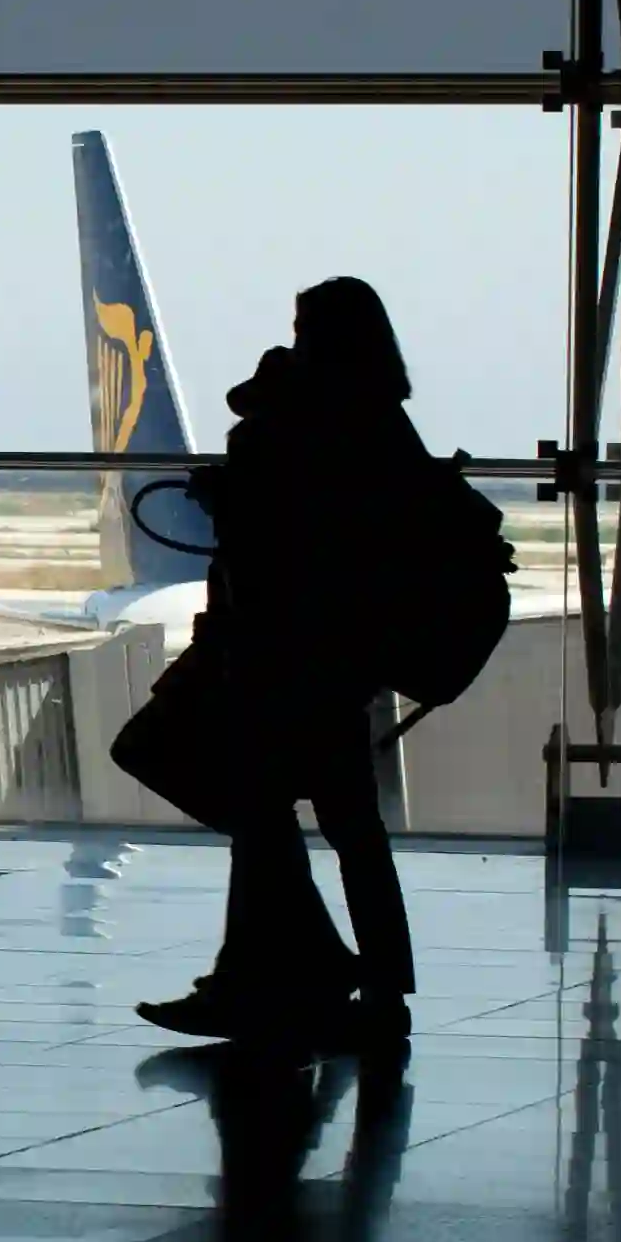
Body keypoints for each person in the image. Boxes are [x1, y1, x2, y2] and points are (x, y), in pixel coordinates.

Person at [138, 276, 430, 1056]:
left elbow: (273, 542)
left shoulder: (303, 419)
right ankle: (363, 981)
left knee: (262, 813)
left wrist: (225, 500)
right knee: (345, 827)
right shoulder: (382, 421)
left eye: (302, 329)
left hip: (280, 657)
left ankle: (281, 971)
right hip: (342, 658)